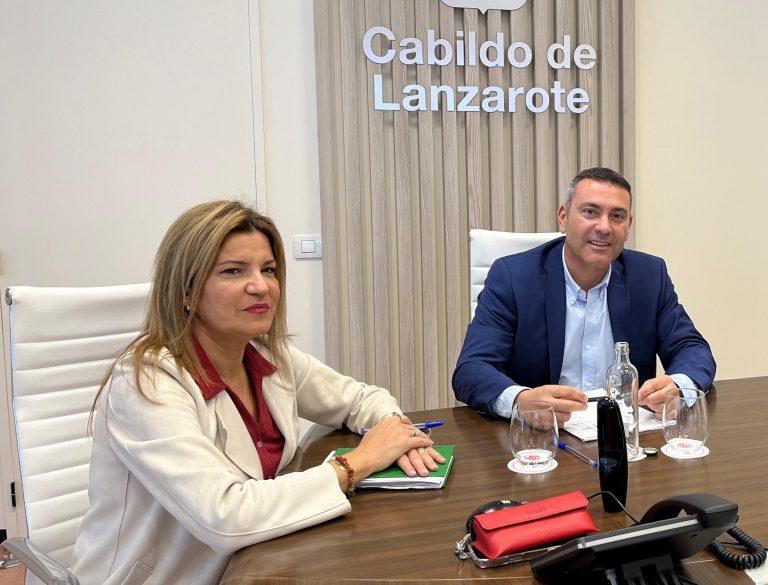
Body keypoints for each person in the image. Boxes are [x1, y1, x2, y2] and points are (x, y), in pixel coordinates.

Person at [71, 201, 443, 585]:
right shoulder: (146, 382)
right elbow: (225, 515)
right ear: (186, 291)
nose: (261, 285)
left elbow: (360, 399)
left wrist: (397, 434)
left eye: (268, 270)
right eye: (233, 271)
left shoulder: (266, 354)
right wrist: (355, 464)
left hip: (258, 565)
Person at [453, 167, 715, 424]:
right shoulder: (512, 277)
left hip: (626, 437)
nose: (604, 227)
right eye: (590, 212)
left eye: (617, 216)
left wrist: (679, 387)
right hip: (545, 439)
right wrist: (522, 401)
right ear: (563, 216)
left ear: (628, 225)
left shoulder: (649, 276)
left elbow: (691, 348)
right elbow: (472, 369)